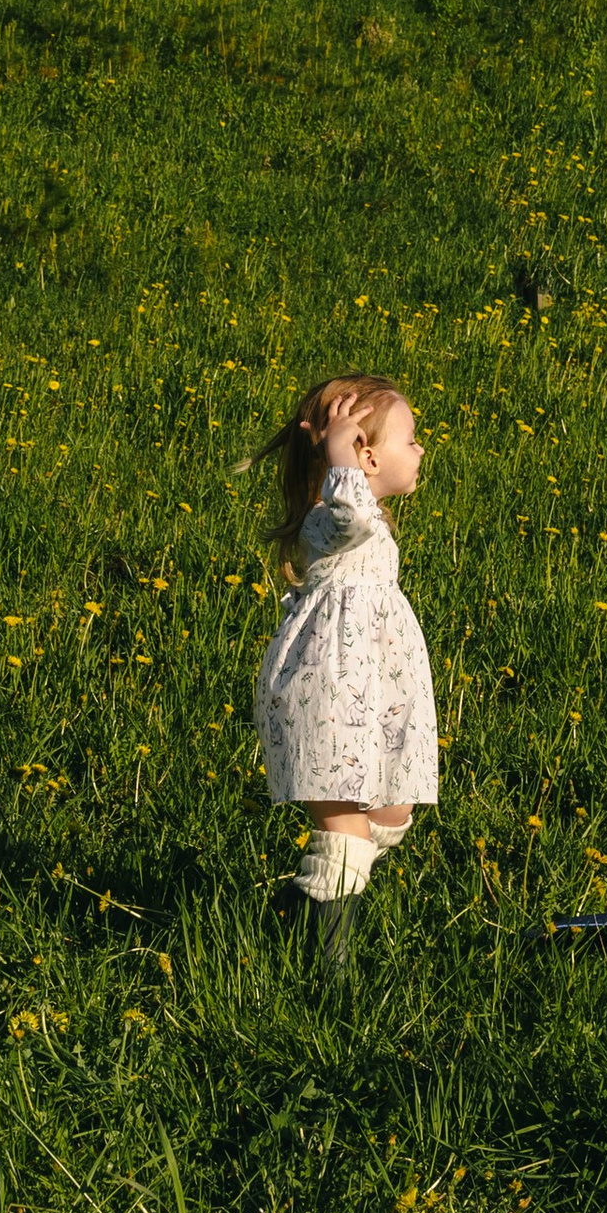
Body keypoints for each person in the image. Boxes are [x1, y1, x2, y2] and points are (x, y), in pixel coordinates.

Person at [252, 375, 436, 968]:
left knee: (391, 813)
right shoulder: (331, 520)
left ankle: (296, 911)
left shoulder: (365, 518)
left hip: (367, 695)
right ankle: (329, 970)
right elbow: (349, 510)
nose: (421, 449)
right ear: (365, 455)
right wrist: (337, 455)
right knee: (346, 838)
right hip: (326, 697)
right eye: (410, 439)